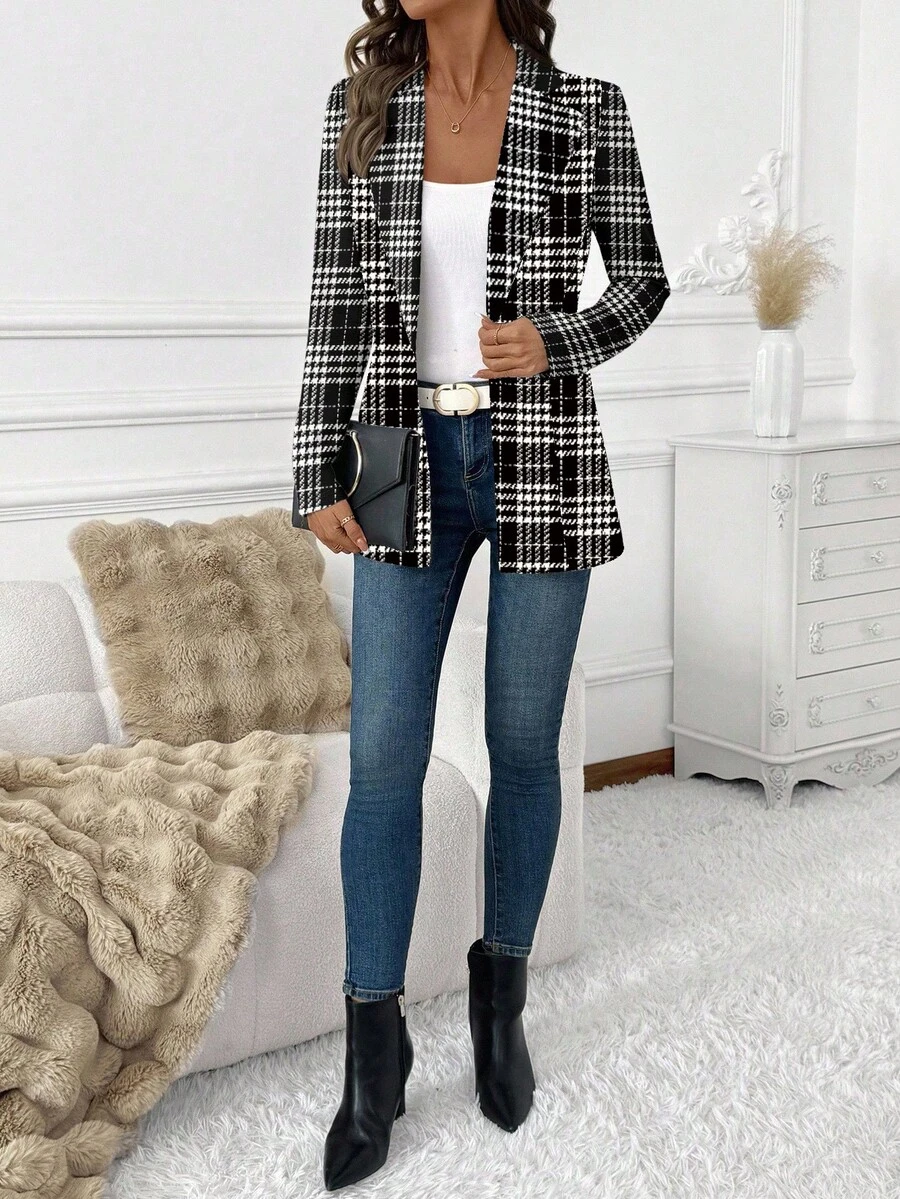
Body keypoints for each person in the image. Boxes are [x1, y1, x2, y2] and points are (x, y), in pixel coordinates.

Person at [292, 0, 669, 1189]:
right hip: (397, 459)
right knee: (383, 759)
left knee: (521, 744)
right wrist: (314, 470)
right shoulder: (363, 109)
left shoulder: (586, 110)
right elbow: (336, 304)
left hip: (542, 454)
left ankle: (499, 1006)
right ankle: (374, 1051)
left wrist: (556, 338)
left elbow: (643, 282)